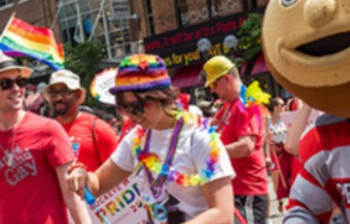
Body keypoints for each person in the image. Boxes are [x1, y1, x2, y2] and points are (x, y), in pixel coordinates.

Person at [67, 54, 234, 224]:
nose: (131, 115)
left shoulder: (199, 138)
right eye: (125, 107)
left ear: (161, 96)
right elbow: (99, 183)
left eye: (137, 107)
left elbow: (222, 213)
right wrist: (82, 176)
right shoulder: (137, 139)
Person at [0, 52, 91, 224]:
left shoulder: (48, 130)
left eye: (20, 82)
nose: (17, 89)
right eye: (6, 84)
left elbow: (72, 195)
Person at [204, 55, 269, 224]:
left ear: (226, 79)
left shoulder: (244, 103)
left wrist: (210, 152)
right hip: (236, 188)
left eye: (214, 84)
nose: (212, 90)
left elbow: (246, 147)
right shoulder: (228, 105)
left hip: (248, 189)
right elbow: (209, 125)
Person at [43, 69, 118, 171]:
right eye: (53, 93)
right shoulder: (46, 132)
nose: (58, 98)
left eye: (65, 92)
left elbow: (116, 174)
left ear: (78, 95)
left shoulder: (98, 128)